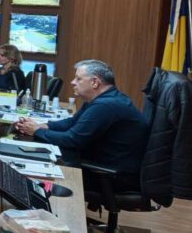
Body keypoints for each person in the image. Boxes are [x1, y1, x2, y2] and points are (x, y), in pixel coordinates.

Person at [15, 59, 149, 191]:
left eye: (78, 79)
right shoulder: (103, 99)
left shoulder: (105, 105)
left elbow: (72, 139)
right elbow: (72, 122)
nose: (73, 82)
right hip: (99, 163)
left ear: (94, 82)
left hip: (110, 176)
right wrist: (43, 126)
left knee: (32, 170)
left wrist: (36, 131)